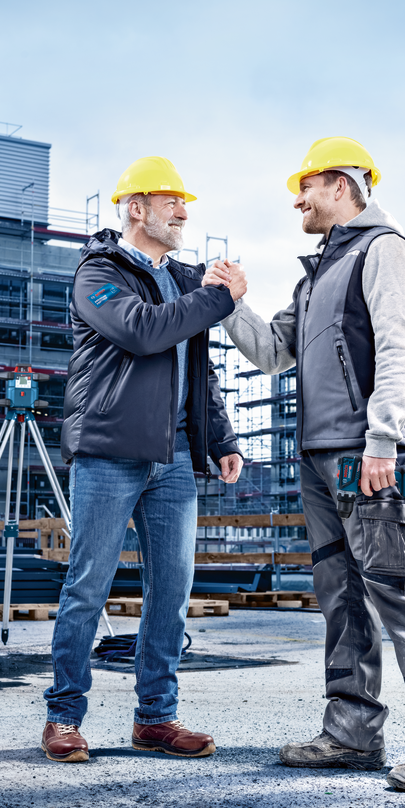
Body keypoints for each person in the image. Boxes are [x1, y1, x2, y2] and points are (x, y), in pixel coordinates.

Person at [204, 137, 405, 792]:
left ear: (342, 184)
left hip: (371, 456)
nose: (296, 198)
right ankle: (353, 732)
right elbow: (272, 352)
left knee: (398, 592)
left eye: (305, 185)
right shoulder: (318, 272)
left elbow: (399, 349)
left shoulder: (386, 249)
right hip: (321, 461)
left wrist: (383, 441)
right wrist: (232, 301)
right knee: (341, 599)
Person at [41, 156, 246, 764]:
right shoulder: (97, 272)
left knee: (172, 591)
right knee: (88, 586)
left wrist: (223, 437)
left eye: (185, 203)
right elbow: (143, 332)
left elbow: (197, 369)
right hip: (108, 453)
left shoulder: (185, 279)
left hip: (176, 457)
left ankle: (156, 718)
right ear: (137, 208)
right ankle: (64, 716)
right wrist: (218, 297)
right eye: (171, 202)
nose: (184, 212)